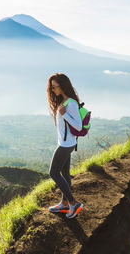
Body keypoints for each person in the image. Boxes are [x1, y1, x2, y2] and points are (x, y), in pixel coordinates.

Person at [47, 73, 84, 219]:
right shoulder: (64, 102)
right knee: (65, 173)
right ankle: (64, 203)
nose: (52, 90)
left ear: (62, 86)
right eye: (51, 87)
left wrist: (65, 115)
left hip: (66, 144)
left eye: (54, 87)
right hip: (66, 142)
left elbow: (79, 126)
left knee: (53, 173)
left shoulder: (71, 104)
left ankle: (74, 203)